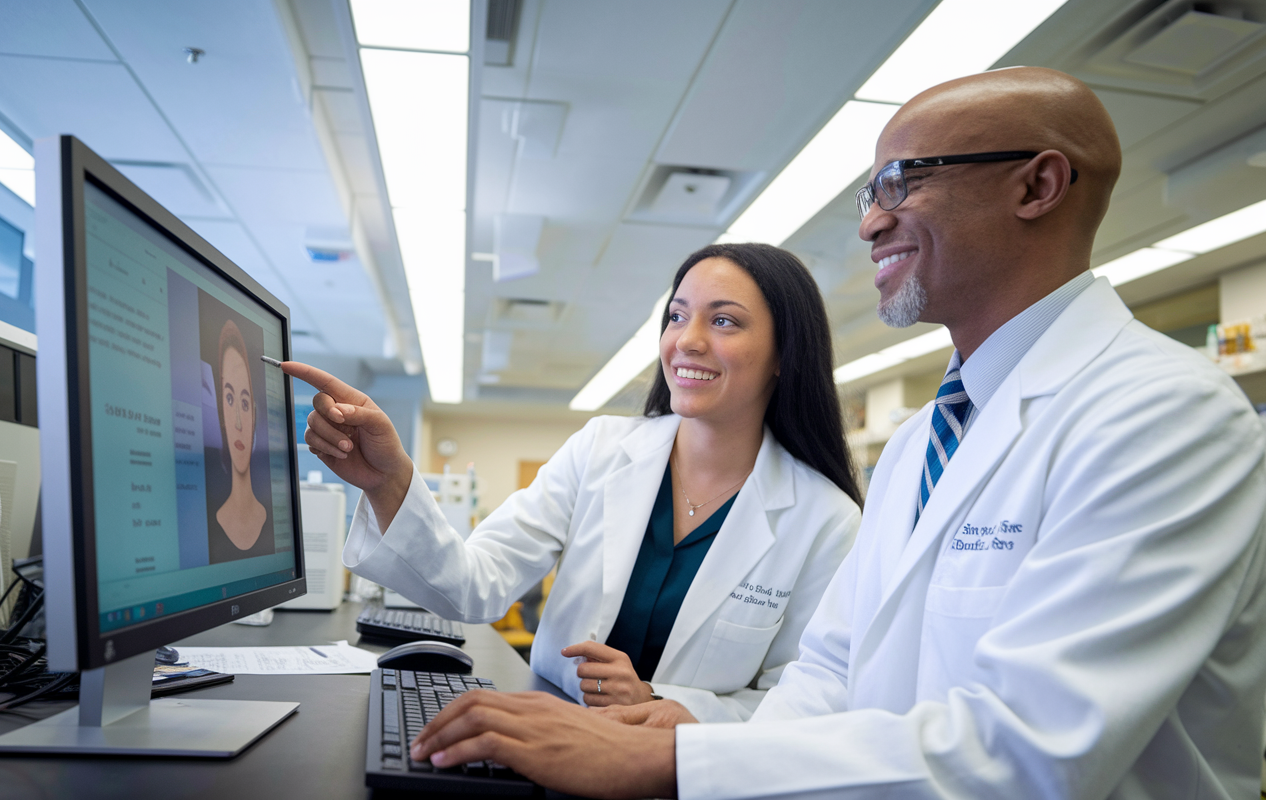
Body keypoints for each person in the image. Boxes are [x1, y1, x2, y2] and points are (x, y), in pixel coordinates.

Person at [404, 67, 1266, 799]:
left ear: (1036, 186)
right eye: (870, 191)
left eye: (905, 180)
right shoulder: (925, 439)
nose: (870, 222)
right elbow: (828, 680)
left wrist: (670, 757)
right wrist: (698, 742)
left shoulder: (1164, 414)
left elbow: (1034, 750)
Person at [284, 242, 864, 722]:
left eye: (724, 321)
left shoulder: (826, 520)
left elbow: (807, 702)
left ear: (785, 352)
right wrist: (390, 482)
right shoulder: (601, 450)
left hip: (684, 771)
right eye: (677, 315)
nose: (687, 340)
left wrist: (666, 705)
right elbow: (472, 587)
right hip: (554, 732)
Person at [210, 319, 269, 558]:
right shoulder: (211, 523)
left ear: (254, 413)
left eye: (244, 403)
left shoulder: (271, 519)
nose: (237, 422)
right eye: (229, 399)